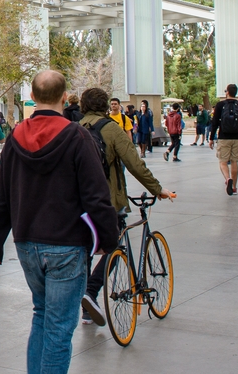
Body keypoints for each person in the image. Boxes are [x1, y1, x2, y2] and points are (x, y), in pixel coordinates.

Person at [0, 71, 119, 374]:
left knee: (42, 314)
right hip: (67, 244)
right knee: (59, 327)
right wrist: (109, 239)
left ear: (33, 94)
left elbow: (1, 195)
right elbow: (97, 195)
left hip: (27, 242)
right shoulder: (77, 136)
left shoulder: (16, 136)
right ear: (63, 95)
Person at [78, 87, 174, 326]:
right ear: (106, 106)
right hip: (108, 200)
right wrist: (157, 189)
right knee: (114, 243)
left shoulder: (75, 129)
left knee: (86, 249)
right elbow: (134, 164)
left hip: (79, 203)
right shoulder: (111, 129)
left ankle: (86, 308)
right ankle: (91, 290)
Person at [210, 84, 238, 195]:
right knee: (235, 161)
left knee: (223, 162)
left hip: (224, 137)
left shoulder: (220, 105)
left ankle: (227, 178)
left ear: (227, 92)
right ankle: (234, 186)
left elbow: (214, 123)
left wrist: (211, 138)